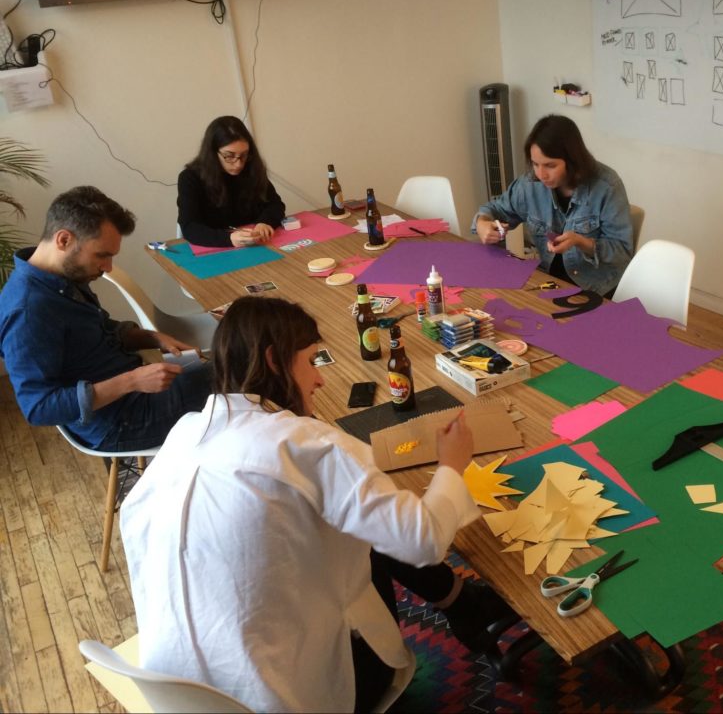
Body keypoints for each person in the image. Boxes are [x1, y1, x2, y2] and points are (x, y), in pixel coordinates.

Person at [120, 296, 516, 712]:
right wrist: (452, 465)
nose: (320, 380)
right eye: (311, 362)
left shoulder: (184, 432)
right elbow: (423, 541)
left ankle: (456, 600)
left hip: (176, 689)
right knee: (373, 538)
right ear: (275, 361)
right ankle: (456, 608)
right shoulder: (308, 443)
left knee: (355, 527)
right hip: (285, 693)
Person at [0, 186, 212, 452]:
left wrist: (151, 337)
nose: (108, 267)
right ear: (63, 240)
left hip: (131, 393)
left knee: (237, 361)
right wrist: (132, 381)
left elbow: (97, 329)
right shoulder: (28, 311)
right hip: (118, 422)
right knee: (250, 372)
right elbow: (39, 408)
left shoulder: (62, 279)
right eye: (102, 255)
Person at [473, 114, 633, 297]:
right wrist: (482, 223)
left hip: (597, 288)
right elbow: (496, 209)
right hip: (550, 282)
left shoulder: (607, 186)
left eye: (550, 165)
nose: (541, 174)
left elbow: (622, 251)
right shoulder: (529, 184)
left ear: (572, 160)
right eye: (535, 164)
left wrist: (581, 242)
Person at [177, 115, 285, 248]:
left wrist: (265, 222)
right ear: (212, 153)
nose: (238, 164)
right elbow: (190, 227)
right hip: (217, 247)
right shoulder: (190, 178)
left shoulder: (251, 168)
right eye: (229, 156)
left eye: (244, 155)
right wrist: (228, 239)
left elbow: (275, 205)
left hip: (254, 245)